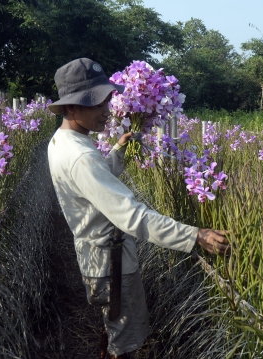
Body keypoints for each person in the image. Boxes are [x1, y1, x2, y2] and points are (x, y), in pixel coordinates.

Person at [47, 58, 229, 359]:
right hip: (112, 264)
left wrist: (117, 150)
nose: (107, 110)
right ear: (70, 108)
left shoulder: (64, 141)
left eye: (106, 100)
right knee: (127, 344)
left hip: (95, 258)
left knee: (113, 326)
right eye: (95, 104)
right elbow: (132, 216)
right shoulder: (81, 156)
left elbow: (94, 182)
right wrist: (196, 235)